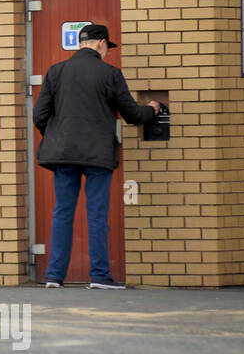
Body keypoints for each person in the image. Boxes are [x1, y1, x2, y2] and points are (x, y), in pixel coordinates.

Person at [33, 24, 160, 290]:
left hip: (63, 154)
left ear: (80, 44)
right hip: (97, 154)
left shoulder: (56, 72)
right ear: (101, 43)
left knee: (62, 213)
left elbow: (39, 116)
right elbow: (132, 115)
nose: (107, 52)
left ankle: (55, 276)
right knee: (97, 214)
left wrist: (57, 136)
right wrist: (152, 109)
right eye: (107, 48)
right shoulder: (110, 73)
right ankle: (100, 276)